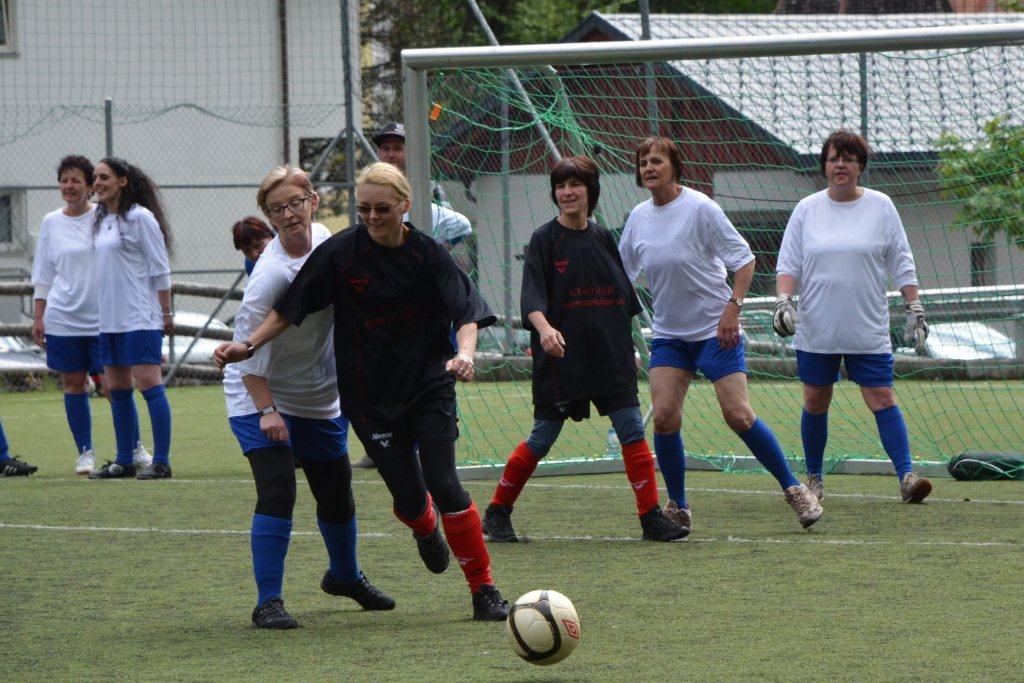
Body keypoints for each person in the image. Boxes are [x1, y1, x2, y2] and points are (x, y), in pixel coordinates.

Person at [215, 162, 510, 621]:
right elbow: (288, 311)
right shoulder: (330, 256)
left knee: (443, 483)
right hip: (358, 395)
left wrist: (465, 354)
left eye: (382, 208)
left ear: (405, 205)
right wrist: (250, 355)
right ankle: (418, 526)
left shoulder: (426, 253)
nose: (372, 217)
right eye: (364, 209)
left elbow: (466, 310)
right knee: (402, 499)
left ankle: (484, 591)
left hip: (423, 385)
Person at [619, 136, 823, 530]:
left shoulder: (701, 208)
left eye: (656, 161)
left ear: (674, 166)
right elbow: (622, 277)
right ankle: (678, 507)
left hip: (717, 332)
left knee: (738, 415)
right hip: (669, 337)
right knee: (664, 417)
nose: (649, 168)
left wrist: (733, 309)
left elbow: (745, 261)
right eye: (643, 163)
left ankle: (795, 489)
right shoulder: (638, 218)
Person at [481, 156, 688, 543]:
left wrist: (632, 349)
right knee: (542, 437)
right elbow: (531, 301)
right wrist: (545, 329)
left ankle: (650, 518)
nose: (567, 192)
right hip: (562, 360)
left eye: (574, 184)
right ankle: (497, 512)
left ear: (590, 191)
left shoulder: (604, 238)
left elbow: (624, 301)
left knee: (631, 430)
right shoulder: (544, 240)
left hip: (610, 357)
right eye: (560, 186)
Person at [224, 165, 393, 629]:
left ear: (313, 202)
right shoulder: (269, 277)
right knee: (279, 489)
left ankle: (345, 577)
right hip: (258, 392)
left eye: (295, 203)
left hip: (315, 392)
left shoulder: (325, 239)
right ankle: (267, 603)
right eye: (277, 209)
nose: (289, 214)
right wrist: (267, 411)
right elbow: (245, 352)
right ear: (269, 218)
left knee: (336, 491)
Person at [774, 130, 932, 504]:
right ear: (824, 166)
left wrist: (914, 306)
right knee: (815, 400)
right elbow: (789, 262)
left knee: (883, 397)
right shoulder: (806, 209)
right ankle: (814, 479)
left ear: (861, 165)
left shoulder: (882, 206)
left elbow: (902, 261)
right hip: (818, 328)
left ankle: (907, 477)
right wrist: (783, 301)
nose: (840, 164)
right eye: (833, 158)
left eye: (848, 158)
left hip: (867, 327)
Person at [31, 155, 152, 475]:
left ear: (90, 186)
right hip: (63, 318)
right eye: (63, 180)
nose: (69, 186)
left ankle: (134, 447)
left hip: (105, 318)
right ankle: (85, 452)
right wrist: (39, 317)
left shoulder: (106, 216)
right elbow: (43, 273)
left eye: (76, 180)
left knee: (115, 387)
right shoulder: (50, 222)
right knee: (74, 384)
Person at [88, 158, 174, 480]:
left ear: (123, 181)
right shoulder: (101, 220)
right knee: (117, 388)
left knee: (149, 384)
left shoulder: (140, 217)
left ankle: (161, 461)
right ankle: (125, 460)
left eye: (104, 177)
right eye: (95, 177)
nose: (97, 183)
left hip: (140, 318)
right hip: (109, 320)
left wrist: (165, 313)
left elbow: (160, 268)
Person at [373, 121, 473, 251]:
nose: (391, 155)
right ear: (379, 153)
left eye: (398, 148)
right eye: (386, 149)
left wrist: (435, 256)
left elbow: (459, 225)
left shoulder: (428, 188)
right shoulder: (370, 190)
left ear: (410, 152)